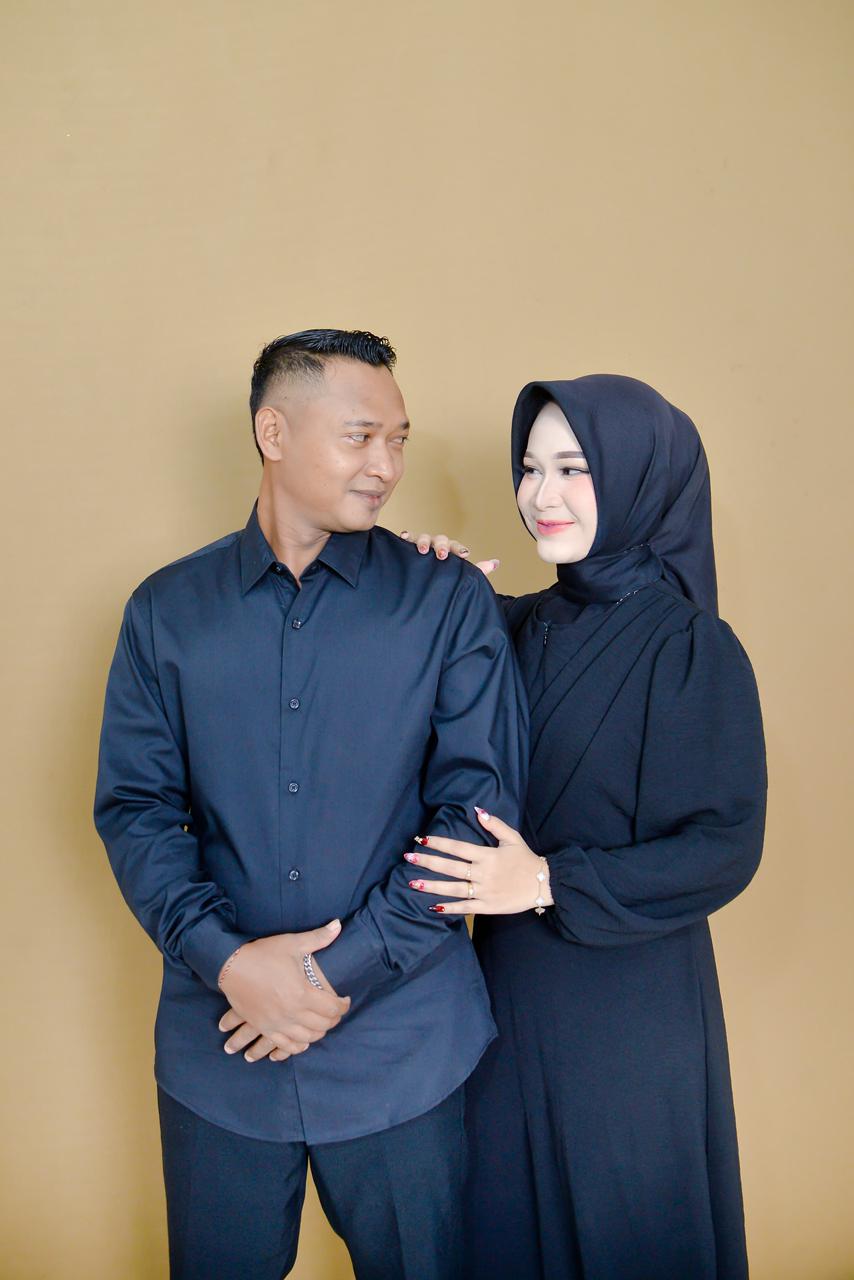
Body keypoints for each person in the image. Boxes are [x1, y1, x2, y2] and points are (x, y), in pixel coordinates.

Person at [94, 329, 527, 1280]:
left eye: (399, 440)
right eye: (361, 437)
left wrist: (333, 975)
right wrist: (228, 959)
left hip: (404, 1050)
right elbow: (136, 811)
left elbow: (475, 817)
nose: (388, 467)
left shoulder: (447, 600)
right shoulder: (165, 612)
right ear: (274, 432)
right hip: (221, 1053)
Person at [401, 375, 767, 1279]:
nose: (541, 494)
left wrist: (544, 880)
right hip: (503, 1000)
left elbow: (723, 844)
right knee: (505, 1226)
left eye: (575, 467)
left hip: (629, 1011)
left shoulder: (690, 645)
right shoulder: (513, 625)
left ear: (641, 477)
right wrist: (428, 588)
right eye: (530, 468)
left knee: (625, 1228)